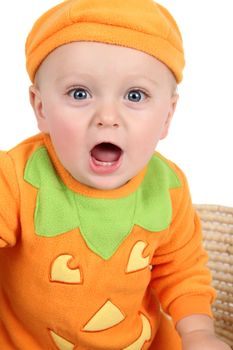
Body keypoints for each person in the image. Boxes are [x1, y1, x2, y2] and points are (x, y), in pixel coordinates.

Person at [0, 0, 230, 349]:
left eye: (134, 95)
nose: (107, 116)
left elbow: (181, 270)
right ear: (41, 107)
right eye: (80, 93)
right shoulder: (15, 178)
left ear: (167, 116)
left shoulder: (167, 188)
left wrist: (198, 332)